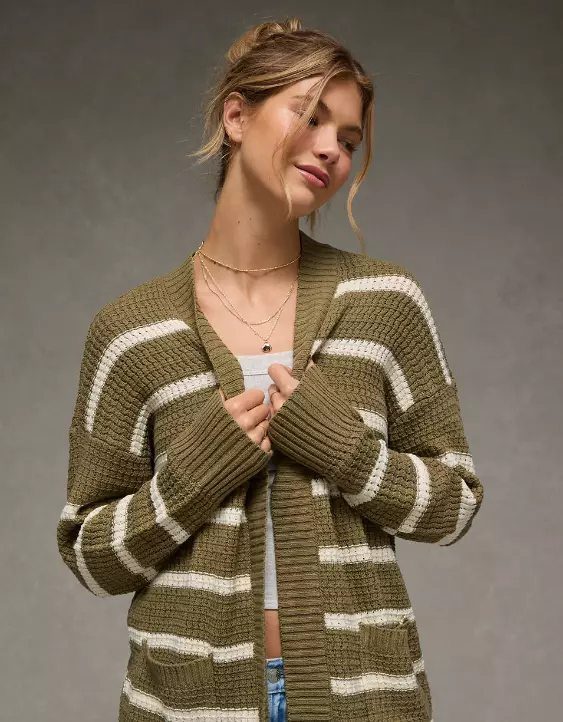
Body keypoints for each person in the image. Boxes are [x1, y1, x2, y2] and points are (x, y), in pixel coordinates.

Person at [57, 17, 484, 722]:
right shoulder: (131, 332)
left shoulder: (384, 302)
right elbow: (91, 556)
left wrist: (347, 452)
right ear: (235, 116)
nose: (331, 148)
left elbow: (454, 504)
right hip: (187, 705)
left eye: (348, 139)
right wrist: (194, 476)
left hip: (364, 699)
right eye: (309, 116)